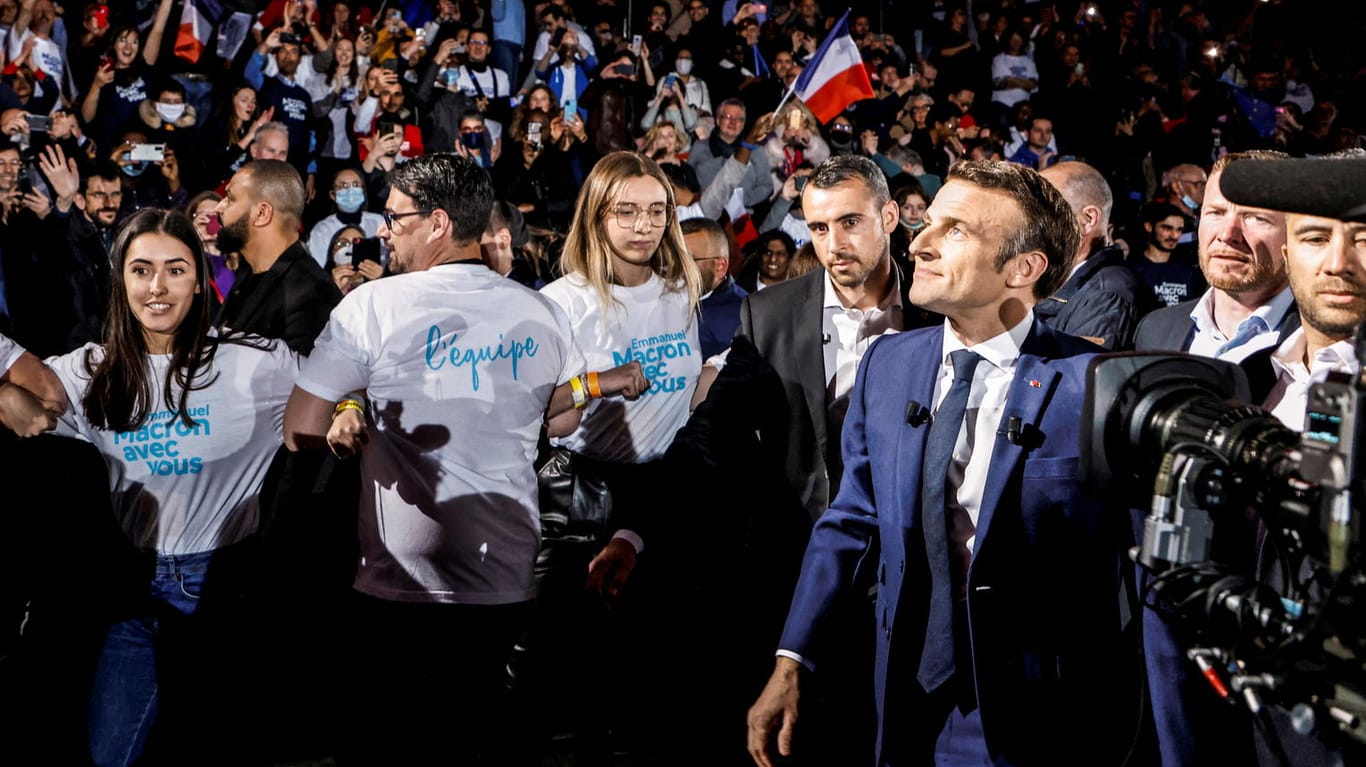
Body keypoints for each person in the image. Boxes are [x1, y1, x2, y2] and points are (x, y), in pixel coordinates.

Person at [745, 159, 1145, 767]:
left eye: (954, 230)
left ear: (1023, 268)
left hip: (1036, 716)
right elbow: (852, 520)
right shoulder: (887, 365)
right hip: (900, 694)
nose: (919, 241)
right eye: (928, 223)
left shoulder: (1094, 386)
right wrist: (792, 656)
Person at [281, 153, 618, 765]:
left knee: (395, 743)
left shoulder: (372, 305)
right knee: (481, 737)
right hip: (505, 571)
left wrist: (351, 409)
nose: (385, 229)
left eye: (395, 216)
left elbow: (299, 429)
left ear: (437, 223)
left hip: (399, 579)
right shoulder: (540, 309)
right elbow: (562, 420)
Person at [0, 208, 301, 766]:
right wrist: (2, 392)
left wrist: (350, 404)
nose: (157, 287)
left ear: (200, 277)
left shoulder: (256, 363)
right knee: (110, 755)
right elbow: (23, 388)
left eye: (175, 270)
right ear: (121, 280)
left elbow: (344, 382)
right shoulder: (91, 371)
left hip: (222, 591)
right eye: (140, 270)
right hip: (131, 592)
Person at [669, 155, 939, 765]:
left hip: (913, 562)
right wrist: (641, 524)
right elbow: (715, 430)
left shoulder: (939, 308)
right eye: (818, 228)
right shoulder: (769, 314)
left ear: (891, 216)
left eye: (849, 222)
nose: (833, 244)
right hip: (797, 563)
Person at [525, 150, 703, 765]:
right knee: (576, 675)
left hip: (669, 492)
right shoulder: (560, 301)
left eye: (657, 211)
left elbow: (686, 392)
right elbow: (540, 414)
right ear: (596, 216)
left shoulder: (682, 291)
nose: (644, 225)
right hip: (587, 501)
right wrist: (597, 382)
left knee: (655, 677)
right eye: (625, 211)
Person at [1134, 150, 1297, 366]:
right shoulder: (1155, 330)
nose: (1227, 234)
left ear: (1297, 232)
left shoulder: (1327, 343)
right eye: (1216, 213)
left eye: (1256, 217)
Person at [214, 159, 341, 355]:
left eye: (230, 198)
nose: (219, 207)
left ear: (262, 213)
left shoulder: (312, 293)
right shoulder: (249, 273)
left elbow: (300, 379)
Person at [1036, 160, 1152, 349]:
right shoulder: (1056, 279)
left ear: (1087, 219)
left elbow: (1074, 373)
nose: (1029, 222)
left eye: (1042, 211)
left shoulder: (1109, 294)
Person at [682, 217, 746, 359]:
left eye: (688, 261)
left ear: (720, 266)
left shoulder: (745, 315)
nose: (678, 268)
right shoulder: (658, 300)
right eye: (674, 258)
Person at [1127, 200, 1206, 308]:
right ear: (1149, 226)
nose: (1174, 235)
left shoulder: (1188, 272)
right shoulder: (1132, 270)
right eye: (1167, 228)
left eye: (1179, 230)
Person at [306, 166, 385, 269]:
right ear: (332, 194)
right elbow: (317, 268)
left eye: (356, 185)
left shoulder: (379, 222)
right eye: (343, 185)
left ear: (363, 191)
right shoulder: (321, 230)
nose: (350, 190)